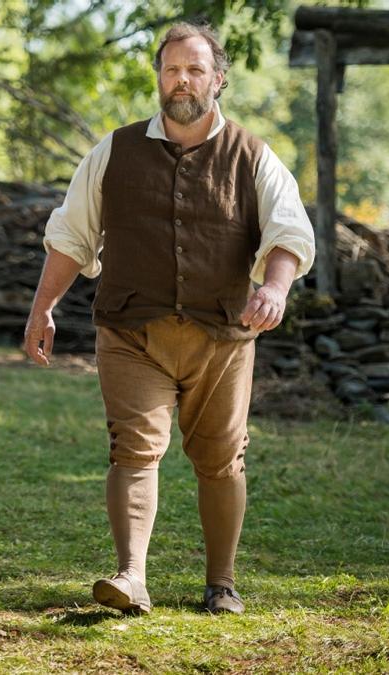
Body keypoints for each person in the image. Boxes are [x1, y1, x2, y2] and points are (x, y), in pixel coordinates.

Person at [23, 22, 315, 615]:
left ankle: (221, 584)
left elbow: (288, 231)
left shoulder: (253, 155)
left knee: (220, 458)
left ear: (219, 79)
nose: (182, 80)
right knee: (132, 449)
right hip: (132, 332)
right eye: (171, 69)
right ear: (159, 77)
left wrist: (276, 287)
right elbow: (72, 235)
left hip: (223, 338)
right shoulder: (114, 150)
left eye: (195, 69)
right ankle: (131, 577)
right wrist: (43, 307)